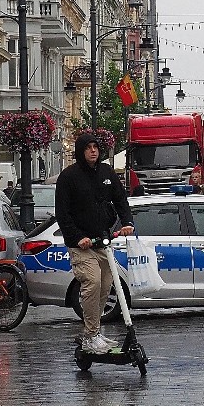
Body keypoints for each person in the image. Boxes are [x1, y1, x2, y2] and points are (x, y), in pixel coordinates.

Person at [56, 133, 135, 355]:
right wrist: (77, 237)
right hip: (81, 244)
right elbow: (63, 213)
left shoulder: (107, 172)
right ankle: (90, 335)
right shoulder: (68, 177)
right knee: (91, 282)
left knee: (106, 285)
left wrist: (127, 222)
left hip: (102, 241)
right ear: (80, 151)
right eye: (88, 147)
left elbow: (120, 200)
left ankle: (95, 331)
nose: (93, 151)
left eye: (95, 147)